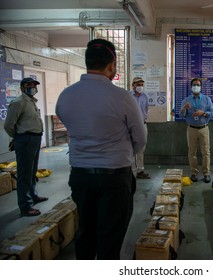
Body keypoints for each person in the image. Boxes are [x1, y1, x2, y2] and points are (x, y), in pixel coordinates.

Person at [56, 38, 146, 260]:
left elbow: (70, 124)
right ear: (112, 65)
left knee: (85, 233)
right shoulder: (122, 97)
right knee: (110, 238)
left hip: (80, 176)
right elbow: (140, 137)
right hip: (114, 179)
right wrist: (123, 153)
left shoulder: (66, 95)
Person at [4, 77, 48, 217]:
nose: (33, 87)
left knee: (32, 171)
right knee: (24, 174)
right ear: (22, 87)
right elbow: (8, 125)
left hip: (34, 139)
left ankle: (33, 195)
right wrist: (18, 138)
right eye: (29, 85)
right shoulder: (18, 103)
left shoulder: (31, 102)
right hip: (25, 139)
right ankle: (25, 205)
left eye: (34, 85)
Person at [180, 78, 213, 183]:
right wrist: (184, 109)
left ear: (201, 87)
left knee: (206, 152)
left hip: (204, 128)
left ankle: (206, 173)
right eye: (194, 85)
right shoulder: (186, 100)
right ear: (191, 87)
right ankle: (194, 173)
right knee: (192, 152)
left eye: (198, 85)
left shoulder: (206, 99)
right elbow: (181, 115)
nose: (196, 86)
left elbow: (212, 113)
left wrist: (203, 113)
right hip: (191, 129)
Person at [130, 77, 150, 179]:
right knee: (132, 149)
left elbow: (146, 109)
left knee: (141, 149)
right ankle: (132, 172)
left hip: (143, 125)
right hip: (131, 126)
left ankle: (140, 170)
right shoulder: (128, 96)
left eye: (142, 85)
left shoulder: (145, 96)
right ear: (133, 85)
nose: (140, 87)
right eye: (138, 85)